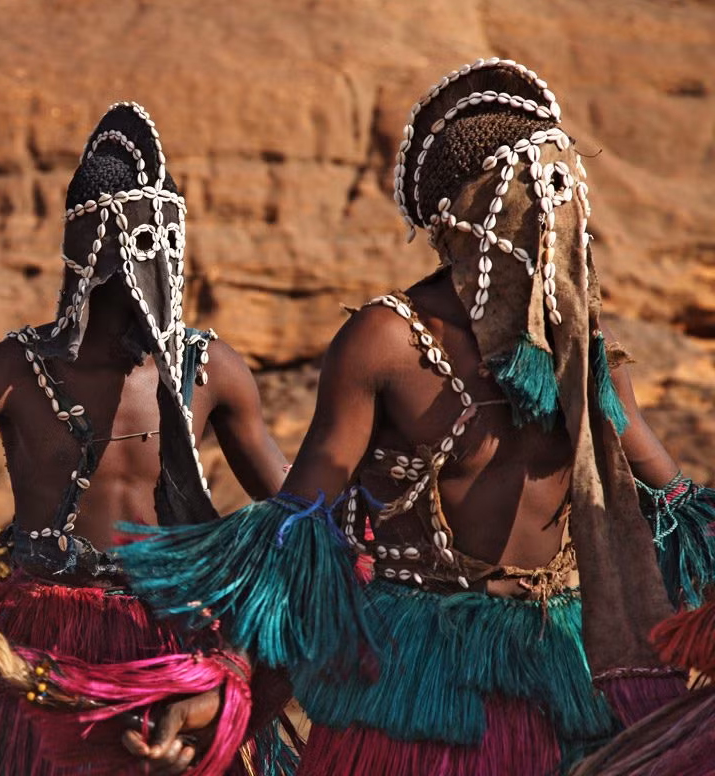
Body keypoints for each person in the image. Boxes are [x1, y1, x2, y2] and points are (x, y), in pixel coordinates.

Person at [116, 58, 715, 775]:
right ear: (466, 218)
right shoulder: (388, 342)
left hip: (576, 675)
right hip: (425, 694)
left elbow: (679, 514)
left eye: (563, 191)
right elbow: (301, 532)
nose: (555, 213)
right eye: (532, 192)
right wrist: (229, 680)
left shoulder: (583, 354)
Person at [0, 101, 291, 775]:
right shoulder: (14, 371)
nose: (165, 274)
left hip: (171, 637)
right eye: (146, 251)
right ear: (100, 258)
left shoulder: (210, 370)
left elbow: (301, 508)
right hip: (42, 634)